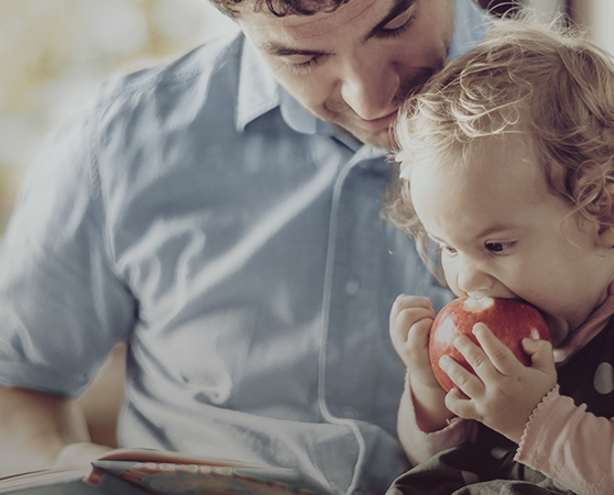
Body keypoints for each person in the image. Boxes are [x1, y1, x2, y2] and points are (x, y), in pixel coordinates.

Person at [0, 0, 493, 492]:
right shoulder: (116, 143)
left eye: (395, 25)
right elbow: (16, 385)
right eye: (303, 59)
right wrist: (78, 469)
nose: (369, 100)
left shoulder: (567, 101)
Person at [386, 19, 614, 495]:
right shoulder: (515, 324)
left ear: (603, 215)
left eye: (496, 246)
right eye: (450, 247)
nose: (467, 278)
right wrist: (430, 388)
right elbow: (430, 461)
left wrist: (537, 420)